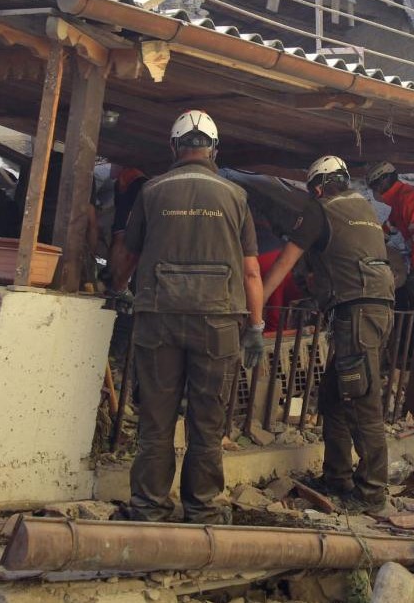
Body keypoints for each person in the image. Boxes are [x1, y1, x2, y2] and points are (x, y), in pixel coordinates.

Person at [112, 110, 264, 524]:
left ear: (173, 147)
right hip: (217, 324)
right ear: (214, 149)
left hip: (158, 319)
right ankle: (202, 511)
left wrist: (115, 291)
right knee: (208, 422)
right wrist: (255, 326)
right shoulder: (236, 196)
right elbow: (252, 271)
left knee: (156, 420)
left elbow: (129, 253)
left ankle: (148, 508)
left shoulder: (152, 191)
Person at [262, 156, 396, 513]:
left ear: (317, 187)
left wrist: (254, 305)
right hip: (376, 311)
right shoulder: (364, 207)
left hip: (356, 315)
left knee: (363, 403)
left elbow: (285, 262)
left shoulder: (323, 210)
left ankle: (371, 493)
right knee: (334, 398)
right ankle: (338, 476)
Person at [366, 162, 414, 305]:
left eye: (374, 187)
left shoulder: (410, 199)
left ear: (383, 181)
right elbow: (388, 228)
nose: (374, 192)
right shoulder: (399, 199)